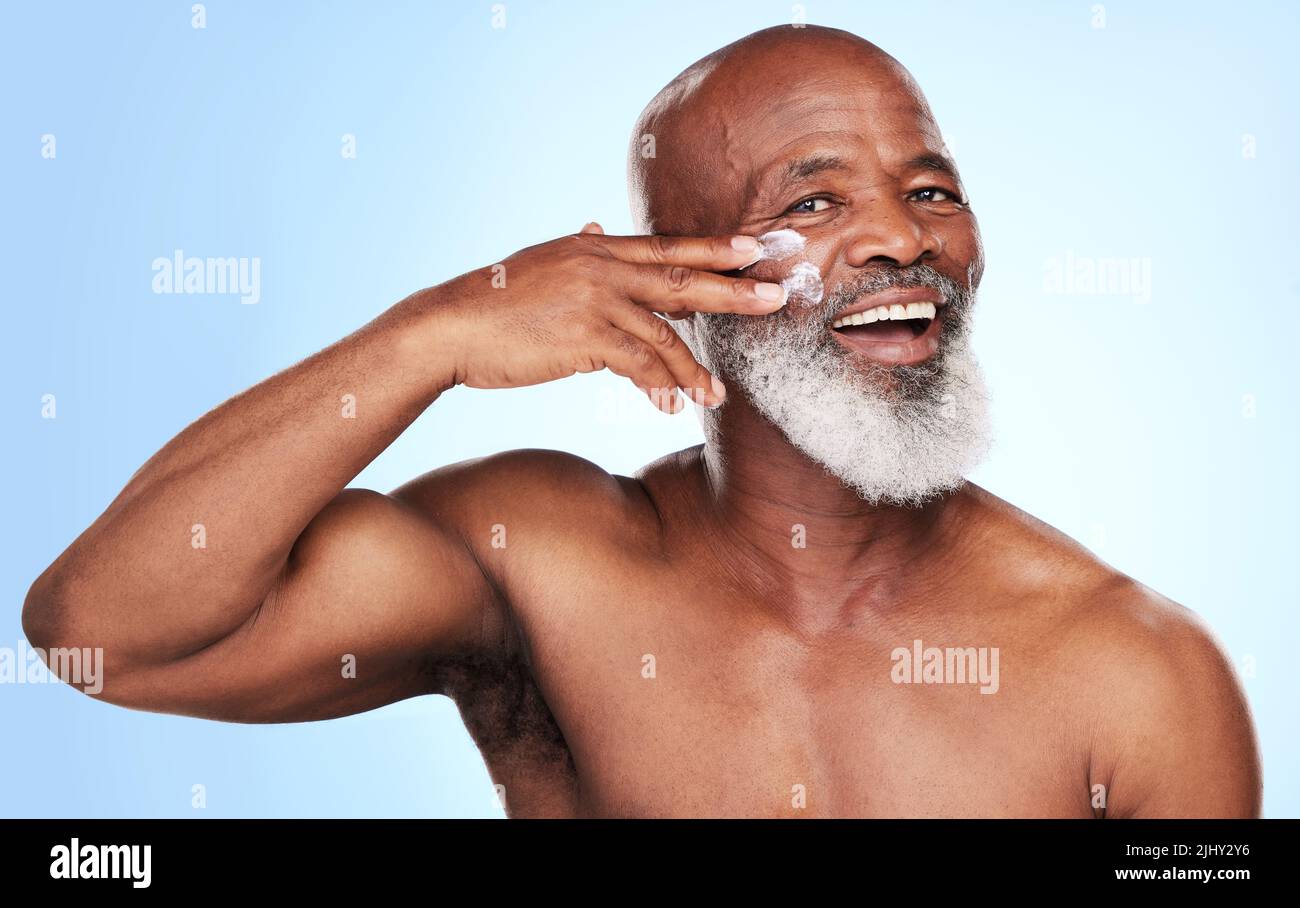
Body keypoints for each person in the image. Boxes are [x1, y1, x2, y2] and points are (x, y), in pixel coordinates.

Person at [24, 25, 1261, 818]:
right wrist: (434, 335)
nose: (903, 236)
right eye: (815, 199)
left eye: (931, 189)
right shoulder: (538, 562)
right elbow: (103, 633)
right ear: (676, 272)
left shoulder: (1136, 672)